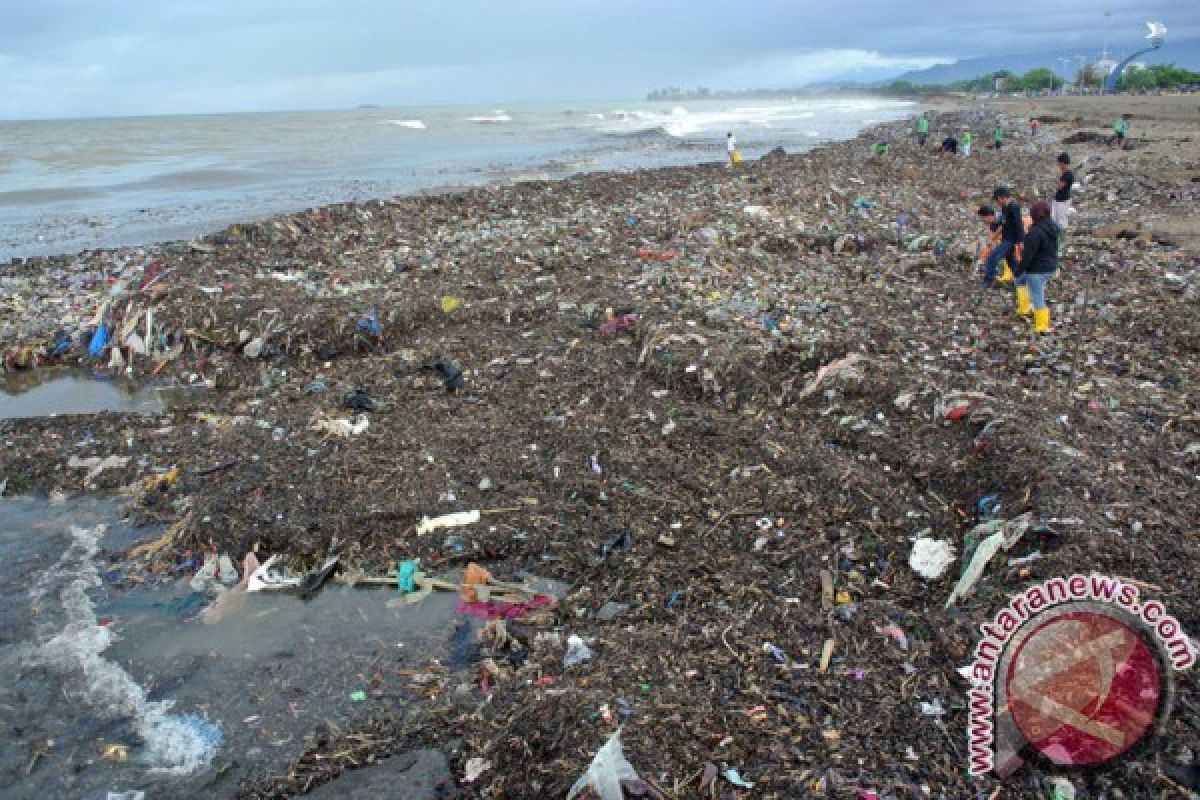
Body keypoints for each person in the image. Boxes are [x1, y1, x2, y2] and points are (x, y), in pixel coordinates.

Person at [1013, 200, 1058, 334]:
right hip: (1050, 267)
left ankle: (1041, 326)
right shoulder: (1053, 227)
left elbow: (1028, 256)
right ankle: (1024, 308)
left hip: (1037, 270)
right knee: (1020, 280)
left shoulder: (1036, 233)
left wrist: (1018, 269)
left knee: (1038, 296)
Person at [984, 186, 1024, 288]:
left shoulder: (1014, 207)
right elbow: (1002, 221)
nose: (996, 202)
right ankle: (1021, 281)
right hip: (1006, 238)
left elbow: (1018, 224)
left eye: (997, 199)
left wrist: (1020, 241)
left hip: (1010, 240)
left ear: (1002, 197)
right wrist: (993, 231)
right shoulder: (1005, 208)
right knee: (1012, 262)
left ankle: (988, 281)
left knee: (992, 258)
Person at [1052, 152, 1074, 234]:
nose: (1059, 166)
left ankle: (1062, 238)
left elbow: (1060, 186)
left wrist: (1058, 180)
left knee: (1061, 221)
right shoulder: (1066, 174)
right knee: (1056, 219)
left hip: (1062, 200)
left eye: (1060, 164)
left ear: (1063, 163)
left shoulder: (1067, 174)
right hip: (1060, 200)